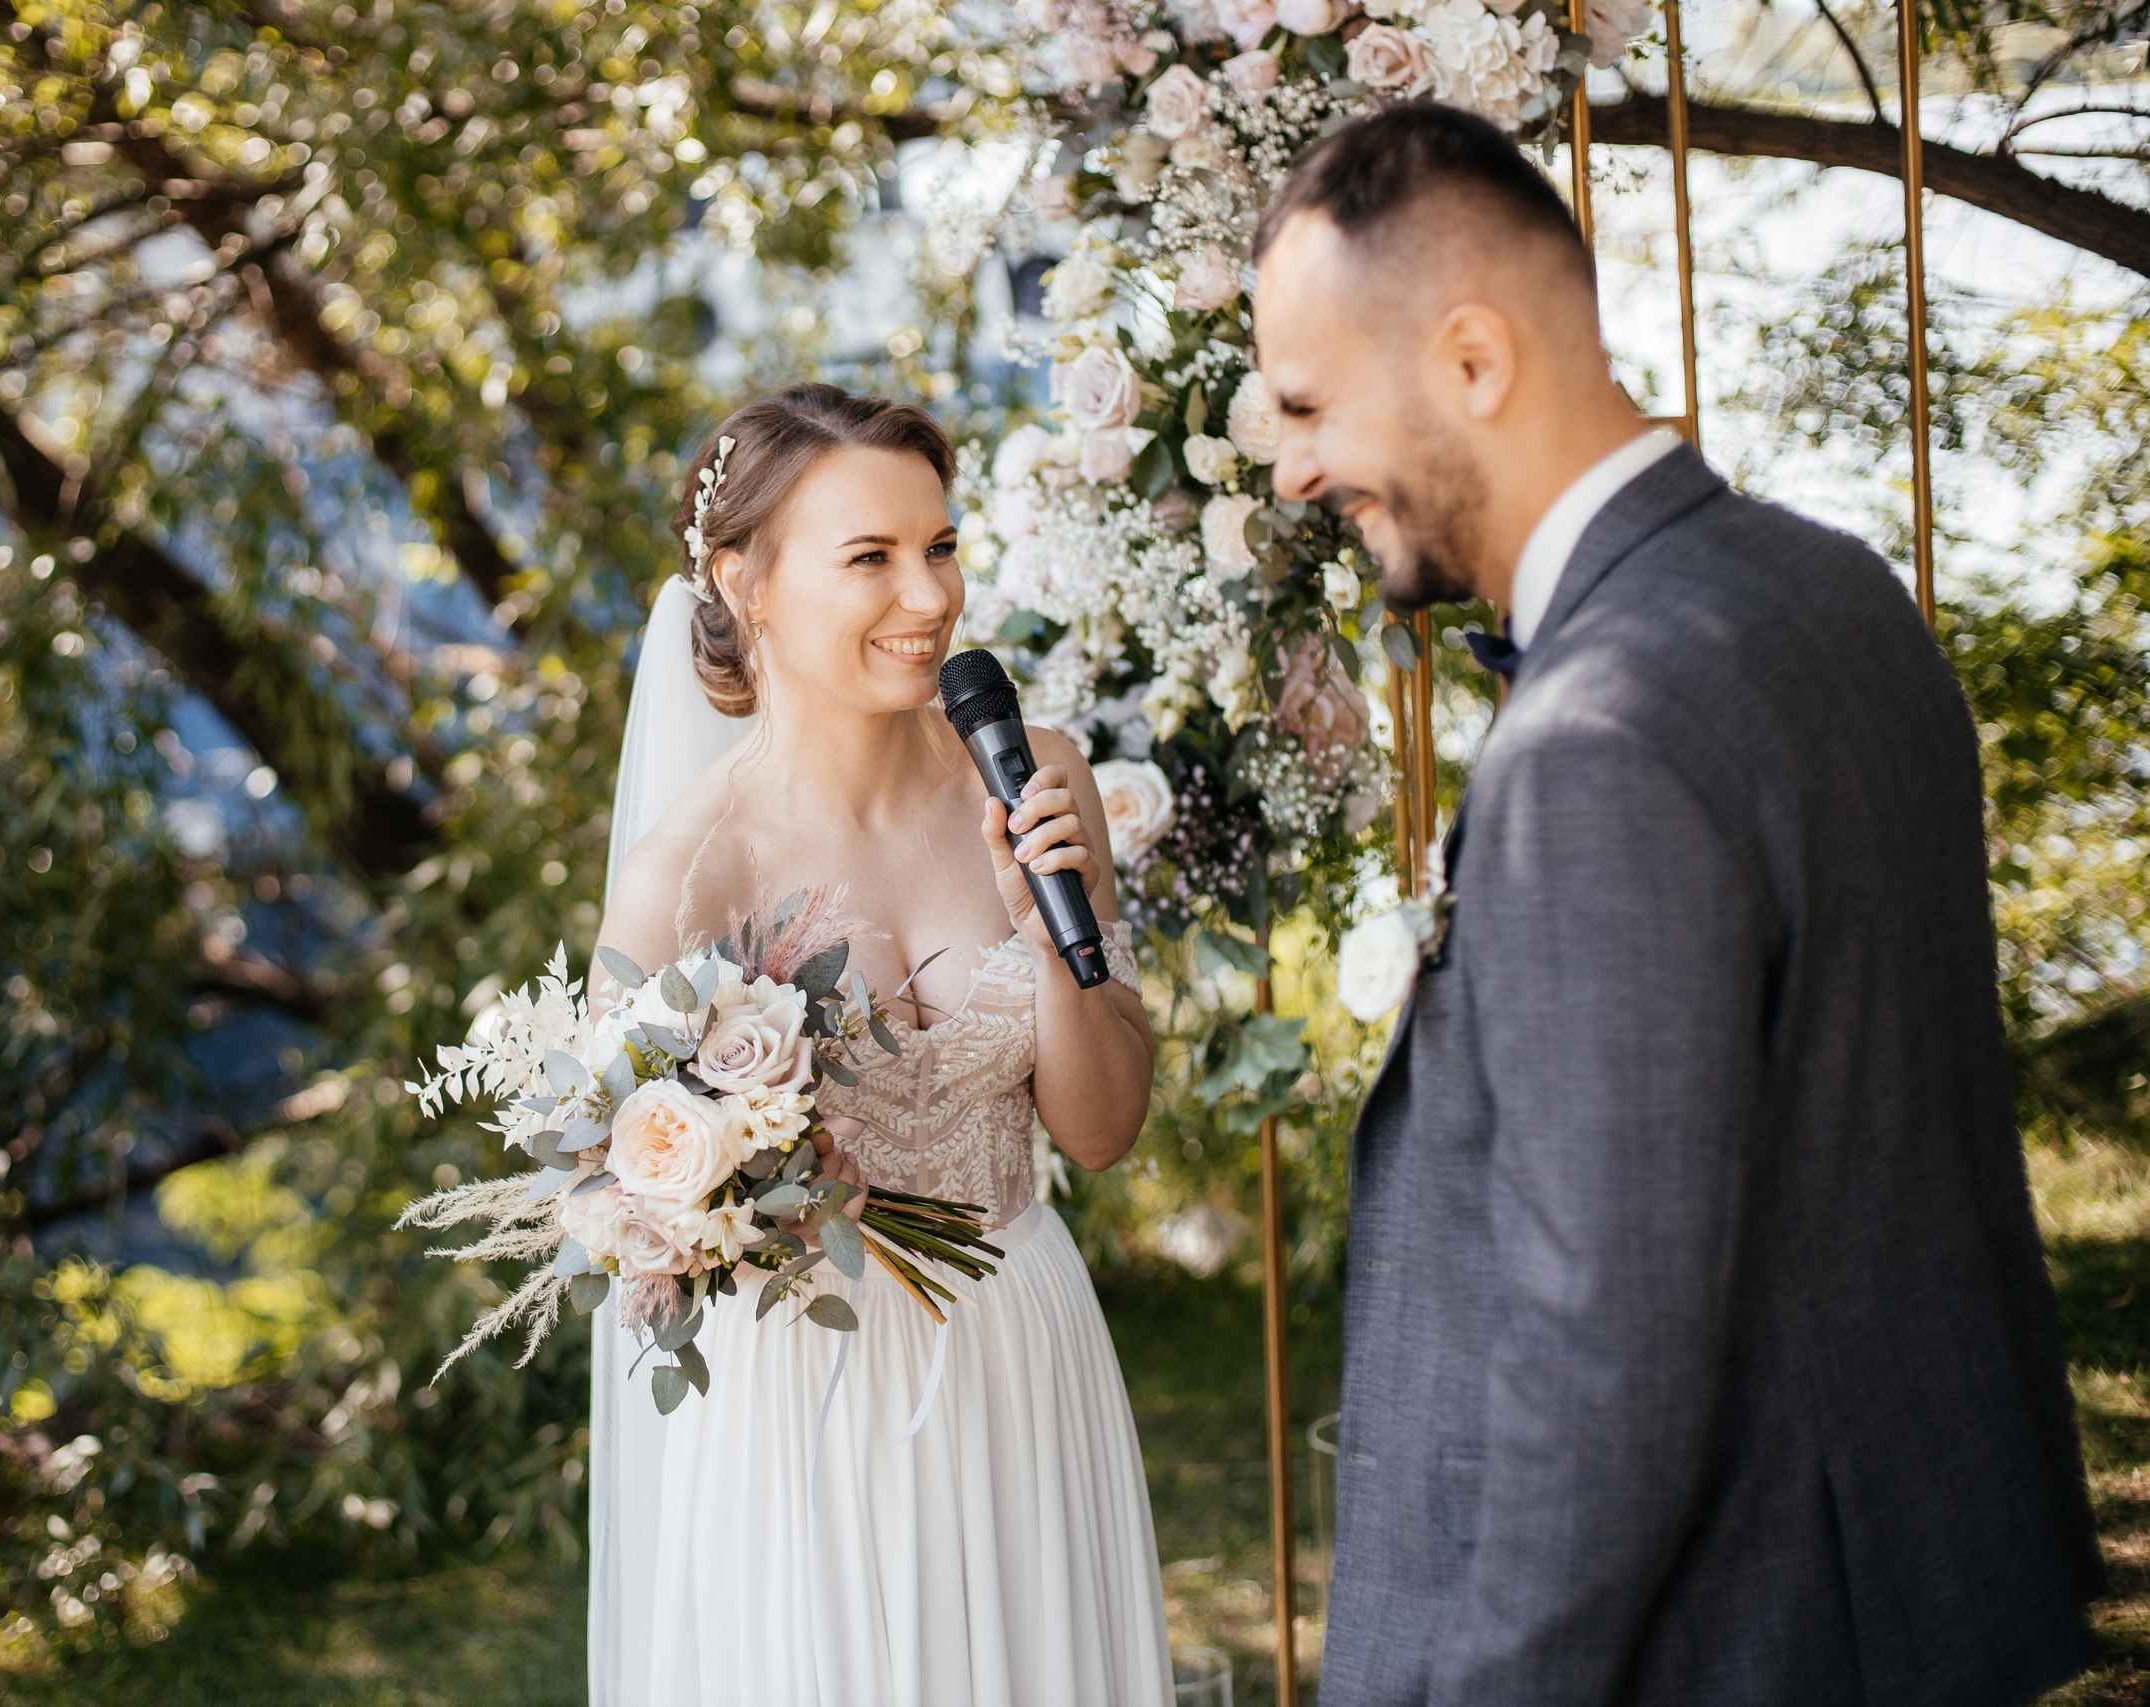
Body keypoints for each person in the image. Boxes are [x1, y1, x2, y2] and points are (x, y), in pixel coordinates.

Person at [1247, 104, 2103, 1706]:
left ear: (1473, 361)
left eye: (1306, 402)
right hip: (1907, 1607)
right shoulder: (1839, 593)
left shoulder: (1601, 738)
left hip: (1720, 1642)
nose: (1291, 463)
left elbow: (1609, 1351)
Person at [584, 382, 1171, 1706]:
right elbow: (637, 1216)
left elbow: (1103, 1129)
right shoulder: (690, 879)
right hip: (808, 1400)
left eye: (942, 546)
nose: (930, 596)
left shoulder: (1035, 776)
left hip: (1025, 1351)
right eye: (872, 558)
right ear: (747, 583)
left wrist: (1051, 935)